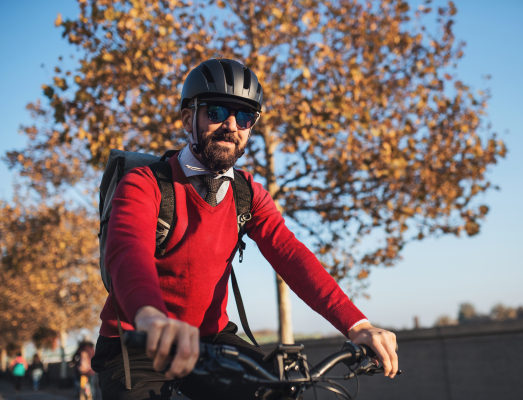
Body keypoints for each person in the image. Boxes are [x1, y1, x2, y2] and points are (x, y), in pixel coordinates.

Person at [91, 58, 398, 400]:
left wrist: (358, 325)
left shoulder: (247, 193)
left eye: (245, 116)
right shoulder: (145, 183)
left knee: (278, 392)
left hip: (210, 340)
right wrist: (150, 318)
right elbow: (128, 252)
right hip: (137, 340)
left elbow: (291, 255)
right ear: (188, 118)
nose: (232, 125)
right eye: (217, 112)